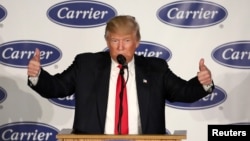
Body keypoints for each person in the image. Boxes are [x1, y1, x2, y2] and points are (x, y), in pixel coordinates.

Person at [27, 15, 214, 135]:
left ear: (137, 42)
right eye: (115, 40)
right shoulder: (86, 65)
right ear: (107, 41)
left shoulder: (155, 68)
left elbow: (182, 92)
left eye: (126, 40)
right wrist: (38, 75)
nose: (120, 47)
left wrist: (202, 83)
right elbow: (57, 87)